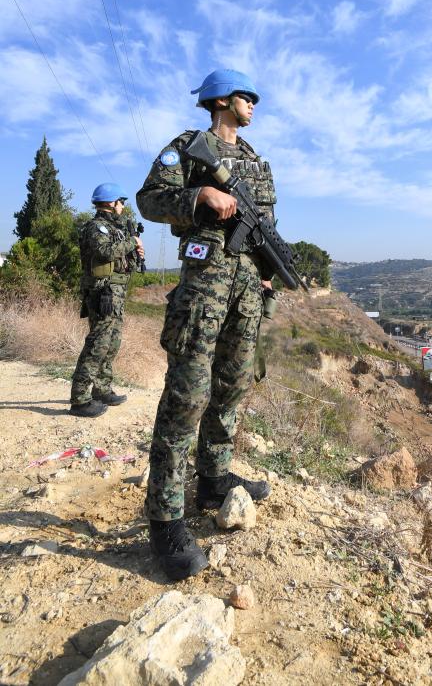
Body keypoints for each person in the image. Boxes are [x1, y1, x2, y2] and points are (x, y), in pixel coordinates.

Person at [136, 68, 277, 581]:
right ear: (221, 101)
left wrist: (266, 279)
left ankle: (214, 481)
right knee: (187, 397)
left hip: (246, 293)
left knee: (233, 388)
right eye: (246, 96)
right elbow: (149, 199)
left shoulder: (258, 162)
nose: (253, 104)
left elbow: (267, 227)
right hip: (203, 291)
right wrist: (197, 199)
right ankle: (166, 518)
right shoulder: (188, 146)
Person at [70, 183, 145, 418]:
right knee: (96, 345)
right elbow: (105, 252)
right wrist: (133, 242)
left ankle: (101, 390)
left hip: (116, 294)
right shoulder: (96, 227)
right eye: (120, 202)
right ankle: (80, 399)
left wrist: (136, 254)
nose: (123, 206)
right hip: (103, 294)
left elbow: (123, 265)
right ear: (111, 203)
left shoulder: (116, 229)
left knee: (111, 344)